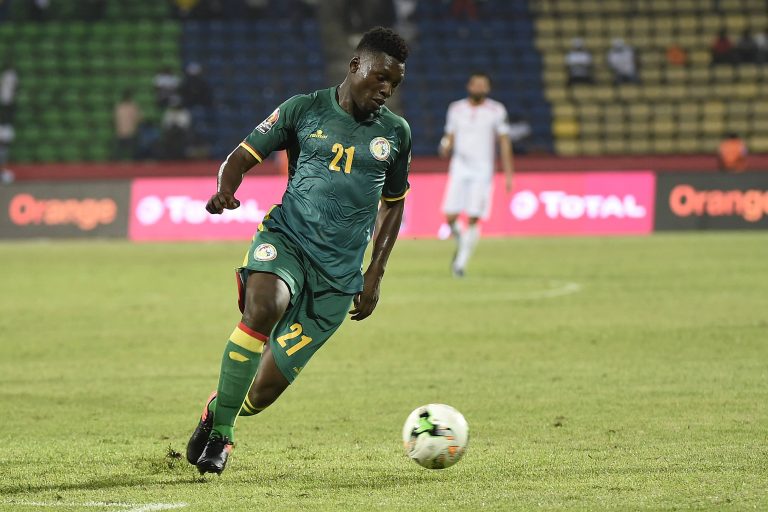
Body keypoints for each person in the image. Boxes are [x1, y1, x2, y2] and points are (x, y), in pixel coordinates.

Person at [185, 27, 411, 475]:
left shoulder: (396, 133)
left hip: (338, 277)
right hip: (287, 238)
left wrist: (375, 272)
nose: (386, 90)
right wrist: (226, 189)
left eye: (395, 83)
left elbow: (394, 203)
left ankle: (216, 410)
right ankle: (223, 436)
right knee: (264, 307)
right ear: (355, 66)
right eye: (380, 77)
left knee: (261, 393)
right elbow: (240, 156)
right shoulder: (302, 109)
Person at [438, 72, 513, 277]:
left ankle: (460, 264)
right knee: (450, 216)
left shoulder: (496, 110)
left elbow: (504, 141)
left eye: (483, 85)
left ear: (487, 88)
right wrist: (445, 146)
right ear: (469, 86)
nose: (479, 88)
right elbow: (450, 135)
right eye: (476, 84)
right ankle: (463, 243)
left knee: (473, 216)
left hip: (483, 170)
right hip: (459, 167)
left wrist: (508, 173)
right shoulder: (456, 109)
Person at [113, 90, 142, 161]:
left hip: (122, 132)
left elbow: (115, 120)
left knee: (120, 152)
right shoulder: (133, 106)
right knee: (133, 153)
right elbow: (140, 119)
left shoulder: (119, 107)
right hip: (130, 132)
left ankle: (117, 162)